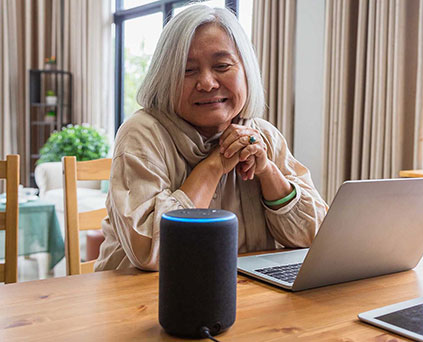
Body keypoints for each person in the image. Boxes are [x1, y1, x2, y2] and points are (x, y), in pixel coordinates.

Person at [95, 5, 328, 271]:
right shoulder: (143, 133)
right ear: (164, 77)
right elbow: (154, 253)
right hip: (141, 301)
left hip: (244, 296)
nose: (207, 83)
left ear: (246, 71)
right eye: (187, 70)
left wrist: (267, 172)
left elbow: (315, 238)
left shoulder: (262, 135)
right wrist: (216, 164)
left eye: (222, 66)